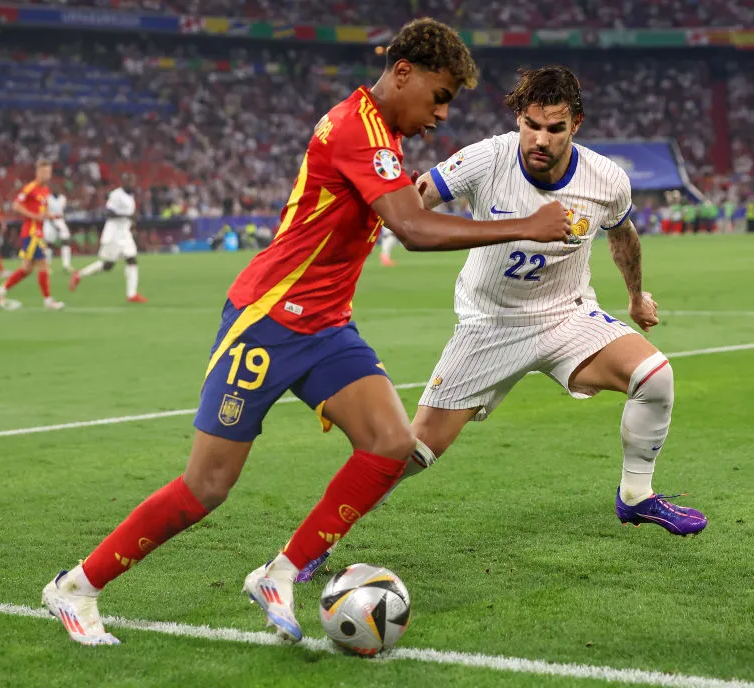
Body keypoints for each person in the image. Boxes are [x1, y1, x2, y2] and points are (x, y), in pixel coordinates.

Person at [40, 18, 570, 646]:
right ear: (404, 73)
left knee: (390, 443)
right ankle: (77, 587)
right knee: (206, 486)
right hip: (267, 322)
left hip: (325, 326)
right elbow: (413, 228)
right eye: (439, 96)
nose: (441, 114)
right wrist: (527, 225)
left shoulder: (380, 133)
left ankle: (280, 573)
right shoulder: (357, 129)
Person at [298, 65, 707, 582]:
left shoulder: (606, 179)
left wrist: (635, 296)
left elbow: (622, 235)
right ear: (518, 118)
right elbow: (413, 203)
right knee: (412, 451)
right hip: (488, 325)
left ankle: (636, 495)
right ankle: (314, 542)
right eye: (531, 124)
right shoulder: (486, 158)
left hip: (565, 315)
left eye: (555, 128)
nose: (540, 139)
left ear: (576, 125)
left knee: (655, 377)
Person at [0, 160, 65, 311]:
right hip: (31, 232)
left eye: (49, 172)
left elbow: (42, 211)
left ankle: (2, 289)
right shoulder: (30, 188)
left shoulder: (45, 190)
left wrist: (51, 216)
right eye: (44, 172)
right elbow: (16, 206)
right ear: (38, 172)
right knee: (43, 264)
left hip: (38, 232)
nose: (47, 175)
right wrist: (34, 216)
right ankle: (48, 301)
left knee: (27, 268)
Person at [68, 174, 147, 303]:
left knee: (132, 260)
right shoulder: (116, 195)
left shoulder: (130, 195)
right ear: (123, 182)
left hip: (124, 233)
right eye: (129, 181)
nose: (132, 184)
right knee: (108, 265)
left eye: (132, 181)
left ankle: (132, 295)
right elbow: (108, 212)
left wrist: (131, 220)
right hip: (114, 234)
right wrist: (127, 216)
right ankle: (79, 274)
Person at [42, 182, 73, 272]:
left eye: (57, 188)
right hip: (49, 221)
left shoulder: (63, 198)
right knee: (49, 244)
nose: (56, 189)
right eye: (54, 188)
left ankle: (66, 265)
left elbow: (63, 210)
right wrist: (52, 221)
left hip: (60, 220)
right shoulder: (47, 198)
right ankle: (46, 266)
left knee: (66, 241)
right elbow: (44, 210)